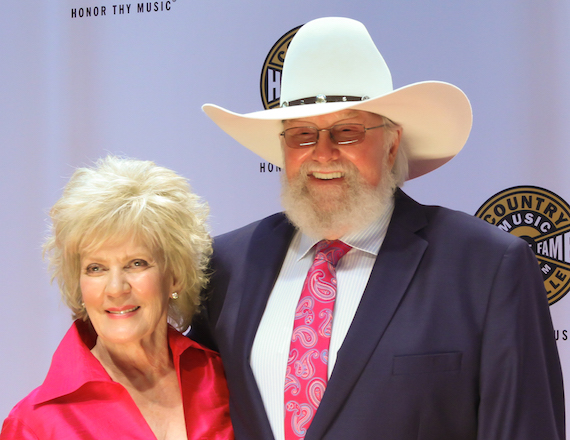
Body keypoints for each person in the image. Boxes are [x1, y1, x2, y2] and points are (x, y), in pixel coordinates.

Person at [190, 16, 565, 440]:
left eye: (347, 132)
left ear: (390, 144)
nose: (323, 153)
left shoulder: (486, 267)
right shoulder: (226, 266)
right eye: (301, 135)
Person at [0, 156, 234, 440]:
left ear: (175, 275)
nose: (115, 288)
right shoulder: (36, 424)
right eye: (95, 268)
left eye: (136, 263)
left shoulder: (224, 377)